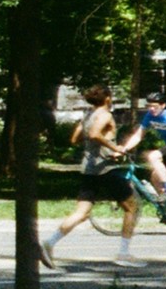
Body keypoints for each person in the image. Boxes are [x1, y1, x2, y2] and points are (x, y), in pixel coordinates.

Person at [40, 84, 140, 267]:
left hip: (88, 168)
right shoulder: (105, 115)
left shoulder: (87, 115)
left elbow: (75, 139)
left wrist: (95, 146)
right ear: (108, 98)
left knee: (82, 212)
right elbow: (94, 134)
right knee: (132, 207)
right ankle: (124, 253)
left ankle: (49, 242)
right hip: (106, 169)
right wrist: (114, 147)